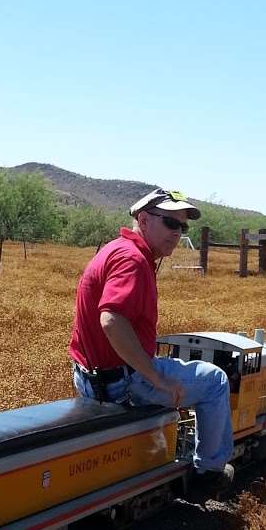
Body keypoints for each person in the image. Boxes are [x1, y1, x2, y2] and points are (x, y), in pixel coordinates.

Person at [68, 187, 234, 494]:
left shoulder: (116, 249)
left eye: (182, 227)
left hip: (91, 378)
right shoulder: (133, 260)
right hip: (126, 381)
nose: (177, 233)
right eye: (171, 223)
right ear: (143, 220)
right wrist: (156, 377)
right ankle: (208, 473)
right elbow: (112, 319)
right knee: (215, 381)